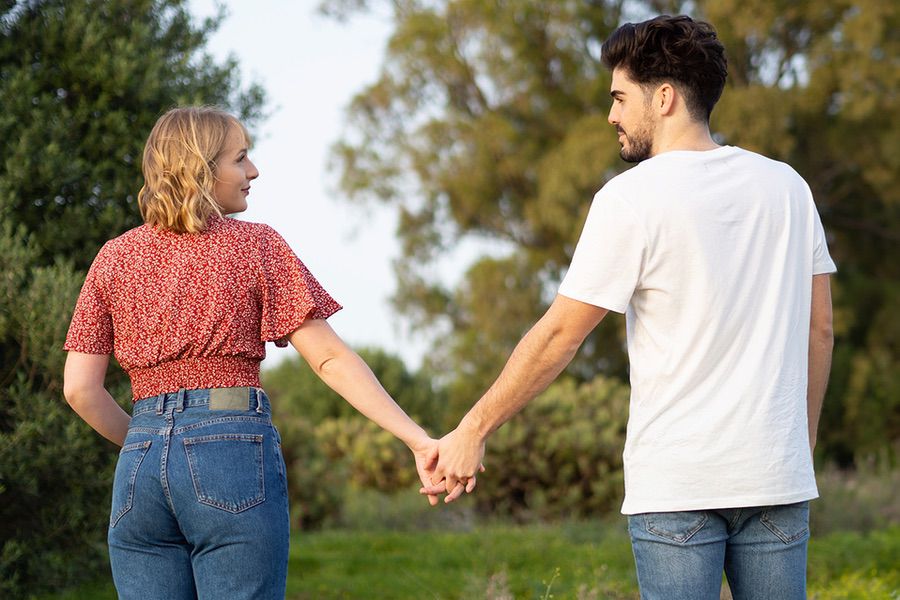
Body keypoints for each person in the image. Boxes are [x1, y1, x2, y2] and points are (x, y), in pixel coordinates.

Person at [422, 15, 835, 600]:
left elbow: (562, 333)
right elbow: (820, 331)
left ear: (663, 97)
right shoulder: (789, 187)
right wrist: (799, 449)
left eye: (620, 97)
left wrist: (474, 426)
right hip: (776, 478)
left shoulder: (631, 197)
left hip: (676, 488)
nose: (611, 115)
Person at [63, 106, 439, 600]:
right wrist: (417, 439)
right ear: (200, 169)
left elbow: (79, 389)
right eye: (240, 158)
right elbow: (328, 359)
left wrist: (150, 442)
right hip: (229, 450)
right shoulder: (255, 245)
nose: (254, 171)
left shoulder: (115, 256)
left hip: (139, 468)